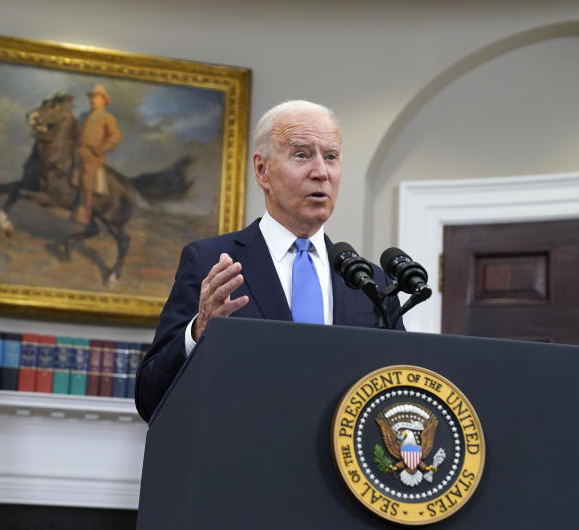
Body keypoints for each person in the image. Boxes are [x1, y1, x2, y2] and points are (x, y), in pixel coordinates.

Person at [134, 100, 405, 422]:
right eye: (302, 155)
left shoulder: (370, 282)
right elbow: (150, 396)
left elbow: (396, 396)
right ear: (262, 170)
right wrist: (200, 330)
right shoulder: (210, 261)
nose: (321, 172)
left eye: (331, 157)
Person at [74, 84, 122, 224]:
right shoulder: (83, 116)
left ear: (103, 100)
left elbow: (115, 136)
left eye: (96, 97)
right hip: (78, 151)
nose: (93, 100)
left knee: (87, 174)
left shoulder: (107, 117)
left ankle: (85, 212)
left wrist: (100, 149)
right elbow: (76, 132)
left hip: (93, 155)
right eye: (92, 97)